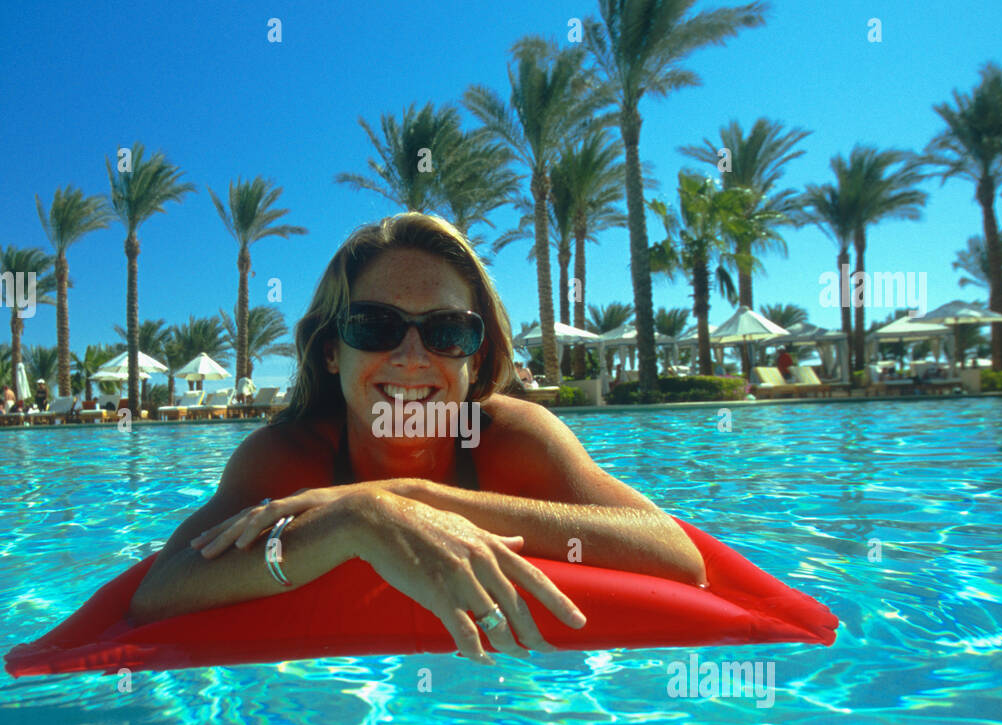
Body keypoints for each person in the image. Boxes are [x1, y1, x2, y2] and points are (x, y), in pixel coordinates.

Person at [130, 212, 708, 665]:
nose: (411, 358)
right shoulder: (288, 458)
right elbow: (158, 592)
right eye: (374, 326)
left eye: (447, 331)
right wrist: (356, 519)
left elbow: (679, 556)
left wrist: (413, 498)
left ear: (475, 358)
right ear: (331, 350)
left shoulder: (512, 438)